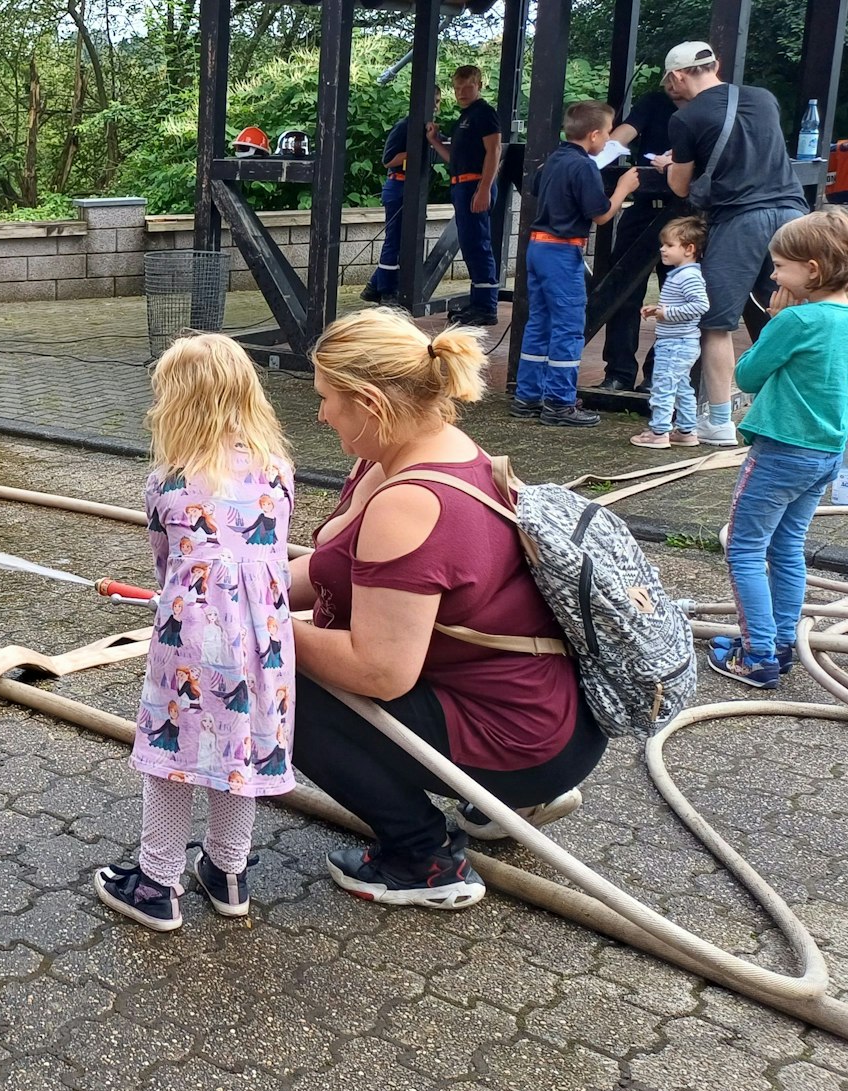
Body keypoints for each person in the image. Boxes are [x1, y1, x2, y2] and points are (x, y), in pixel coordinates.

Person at [290, 310, 608, 909]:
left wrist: (261, 627)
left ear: (370, 403)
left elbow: (381, 672)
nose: (321, 413)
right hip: (545, 716)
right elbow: (334, 571)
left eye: (328, 398)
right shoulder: (420, 453)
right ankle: (510, 804)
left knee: (272, 684)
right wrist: (236, 590)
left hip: (526, 741)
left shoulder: (410, 503)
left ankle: (424, 860)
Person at [95, 334, 297, 932]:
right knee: (236, 745)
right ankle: (229, 871)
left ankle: (157, 882)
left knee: (171, 751)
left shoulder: (169, 480)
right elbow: (273, 553)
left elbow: (167, 566)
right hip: (265, 640)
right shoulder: (278, 471)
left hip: (192, 632)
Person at [708, 210, 848, 688]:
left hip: (781, 452)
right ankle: (778, 643)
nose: (774, 275)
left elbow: (746, 375)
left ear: (813, 270)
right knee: (787, 548)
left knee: (744, 549)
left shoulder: (797, 318)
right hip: (827, 453)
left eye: (780, 266)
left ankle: (757, 654)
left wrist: (776, 319)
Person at [651, 41, 809, 447]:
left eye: (672, 80)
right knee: (788, 318)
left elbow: (682, 186)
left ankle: (720, 422)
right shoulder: (764, 99)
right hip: (793, 215)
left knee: (716, 323)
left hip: (741, 221)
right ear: (715, 65)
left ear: (679, 75)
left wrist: (668, 164)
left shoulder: (686, 119)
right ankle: (790, 414)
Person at [511, 101, 641, 427]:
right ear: (595, 135)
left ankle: (528, 397)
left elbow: (538, 188)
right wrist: (623, 188)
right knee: (568, 327)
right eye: (608, 133)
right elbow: (600, 213)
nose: (609, 138)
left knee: (539, 322)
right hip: (562, 251)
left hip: (537, 248)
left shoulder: (554, 159)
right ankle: (559, 402)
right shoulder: (584, 167)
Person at [598, 82, 692, 392]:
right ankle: (619, 372)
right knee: (623, 290)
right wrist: (597, 152)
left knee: (675, 297)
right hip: (642, 209)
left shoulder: (706, 108)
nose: (671, 85)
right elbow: (626, 131)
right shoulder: (654, 99)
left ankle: (657, 374)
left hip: (682, 214)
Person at [426, 66, 502, 327]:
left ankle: (486, 305)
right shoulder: (463, 118)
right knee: (470, 244)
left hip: (474, 185)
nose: (462, 93)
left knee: (479, 244)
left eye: (468, 87)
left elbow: (494, 151)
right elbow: (454, 159)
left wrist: (483, 188)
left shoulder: (484, 113)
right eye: (458, 88)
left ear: (479, 86)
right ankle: (478, 300)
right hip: (460, 184)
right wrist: (435, 141)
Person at [630, 216, 711, 448]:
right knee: (681, 387)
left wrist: (667, 313)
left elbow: (700, 305)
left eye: (669, 245)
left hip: (676, 342)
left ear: (689, 249)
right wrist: (659, 310)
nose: (662, 249)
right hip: (679, 341)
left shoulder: (688, 275)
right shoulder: (681, 274)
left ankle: (659, 432)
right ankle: (686, 430)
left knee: (663, 387)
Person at [363, 113, 421, 307]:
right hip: (398, 187)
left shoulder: (427, 128)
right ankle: (387, 291)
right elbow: (388, 160)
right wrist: (414, 151)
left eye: (438, 101)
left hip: (412, 189)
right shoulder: (404, 126)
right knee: (394, 240)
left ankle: (374, 286)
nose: (436, 106)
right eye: (433, 101)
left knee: (404, 240)